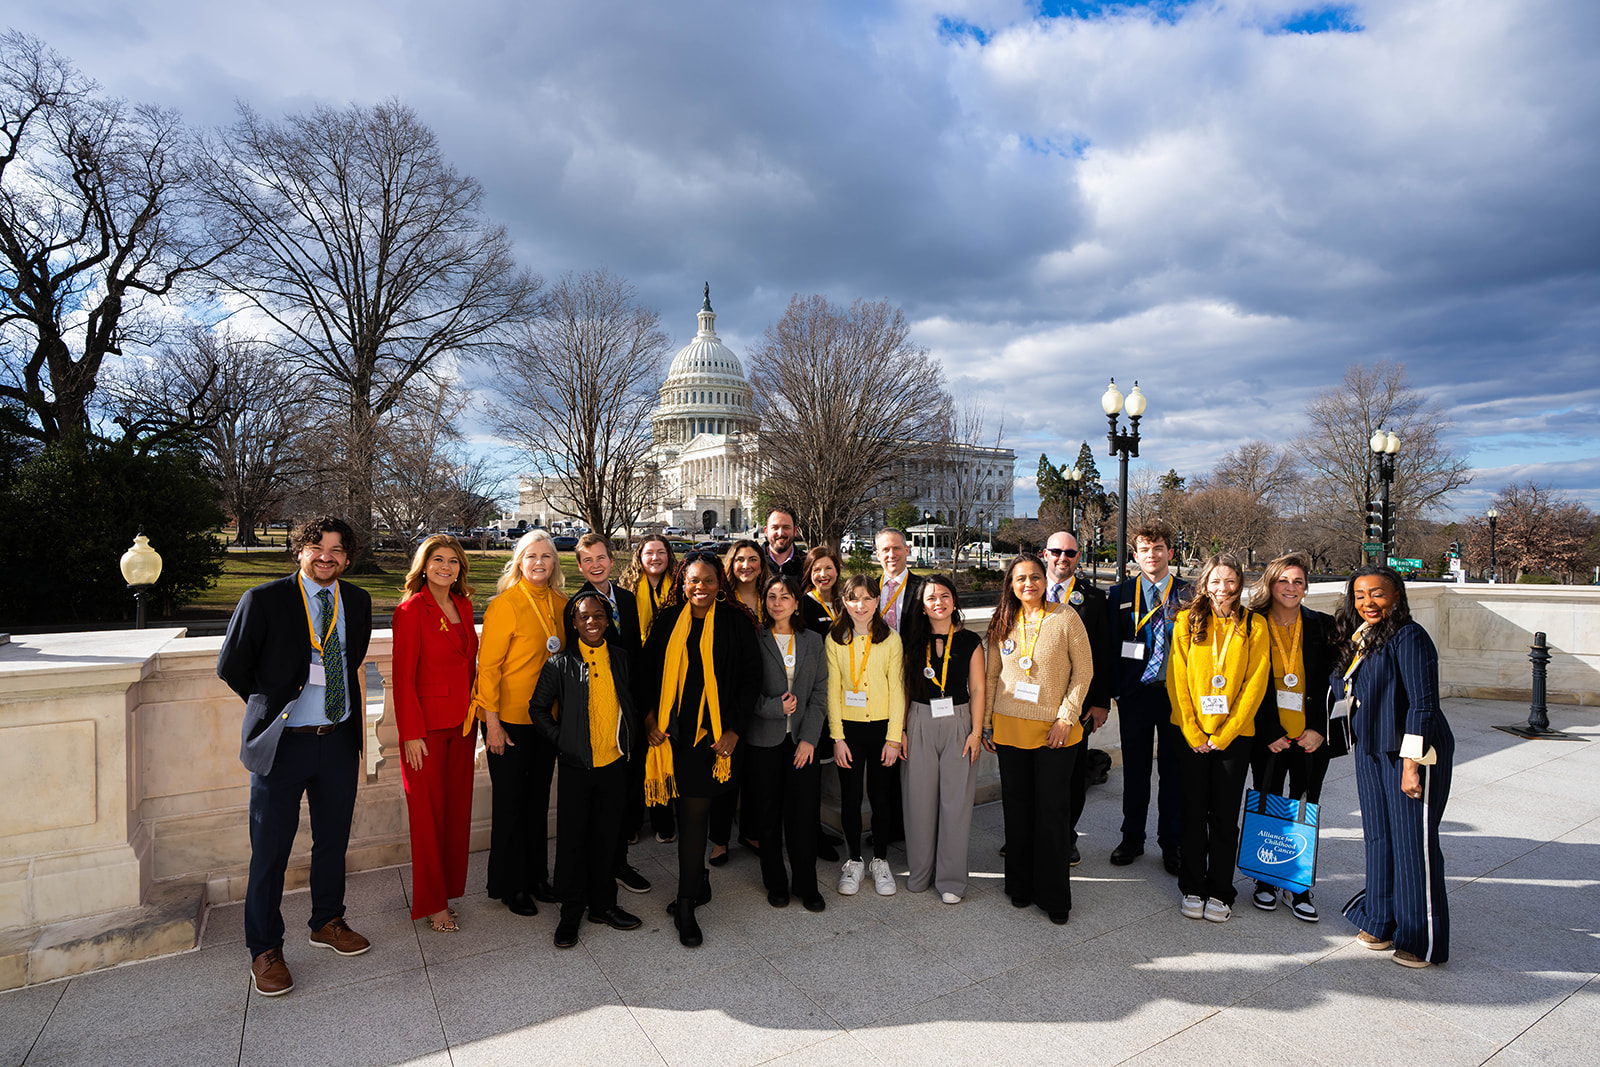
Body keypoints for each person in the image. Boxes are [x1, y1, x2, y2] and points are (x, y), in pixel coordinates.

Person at [218, 516, 373, 997]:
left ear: (348, 557)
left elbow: (352, 660)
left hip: (337, 740)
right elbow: (232, 666)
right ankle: (264, 949)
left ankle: (327, 921)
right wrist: (276, 706)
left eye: (337, 549)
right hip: (283, 745)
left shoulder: (359, 600)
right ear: (299, 551)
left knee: (332, 842)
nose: (327, 556)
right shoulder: (263, 600)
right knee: (270, 852)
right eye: (317, 547)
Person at [639, 551, 760, 947]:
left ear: (720, 583)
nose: (701, 587)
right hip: (670, 736)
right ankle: (700, 880)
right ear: (682, 582)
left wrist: (734, 732)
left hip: (712, 739)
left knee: (693, 817)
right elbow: (647, 674)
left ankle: (686, 901)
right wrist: (649, 719)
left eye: (709, 580)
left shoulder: (735, 623)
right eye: (693, 580)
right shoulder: (669, 620)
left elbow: (749, 682)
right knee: (686, 813)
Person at [1335, 566, 1453, 967]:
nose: (1368, 602)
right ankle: (1381, 919)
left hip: (1409, 753)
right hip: (1370, 749)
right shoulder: (1360, 639)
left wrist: (1411, 765)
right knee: (1379, 838)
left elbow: (1423, 705)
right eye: (1361, 594)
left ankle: (1419, 938)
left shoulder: (1410, 637)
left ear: (1397, 596)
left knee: (1411, 845)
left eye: (1378, 594)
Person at [982, 553, 1093, 925]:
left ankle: (1053, 894)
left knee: (1052, 813)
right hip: (1010, 728)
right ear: (1010, 586)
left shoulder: (1065, 617)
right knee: (1017, 810)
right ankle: (1020, 886)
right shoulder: (1003, 622)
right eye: (1020, 579)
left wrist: (1066, 717)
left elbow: (1084, 671)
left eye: (1034, 577)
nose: (1028, 584)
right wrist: (986, 724)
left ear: (1045, 580)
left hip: (1055, 733)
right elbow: (992, 675)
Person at [529, 592, 644, 948]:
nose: (592, 622)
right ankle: (571, 910)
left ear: (608, 621)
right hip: (578, 765)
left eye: (598, 616)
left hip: (614, 763)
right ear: (574, 623)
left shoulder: (621, 659)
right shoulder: (559, 664)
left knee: (607, 837)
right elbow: (537, 708)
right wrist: (562, 739)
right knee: (573, 839)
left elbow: (634, 702)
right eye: (584, 617)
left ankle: (604, 905)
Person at [1167, 553, 1270, 924]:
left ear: (1240, 584)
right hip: (1191, 735)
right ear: (1204, 584)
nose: (1222, 589)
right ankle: (1192, 886)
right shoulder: (1186, 621)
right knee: (1193, 813)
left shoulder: (1254, 625)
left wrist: (1225, 734)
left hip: (1235, 737)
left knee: (1225, 818)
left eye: (1230, 582)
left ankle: (1221, 890)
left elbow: (1255, 683)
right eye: (1215, 581)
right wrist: (1194, 730)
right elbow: (1177, 681)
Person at [472, 529, 567, 917]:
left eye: (546, 557)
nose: (539, 563)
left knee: (538, 801)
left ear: (554, 563)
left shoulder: (562, 603)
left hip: (547, 721)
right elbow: (488, 669)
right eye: (531, 557)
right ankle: (511, 886)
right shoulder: (505, 605)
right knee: (511, 804)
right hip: (508, 720)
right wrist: (492, 723)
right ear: (519, 562)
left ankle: (537, 877)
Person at [391, 534, 478, 934]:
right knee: (427, 821)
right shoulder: (411, 610)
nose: (446, 567)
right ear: (423, 566)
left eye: (453, 561)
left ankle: (448, 891)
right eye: (437, 560)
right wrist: (410, 733)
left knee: (455, 816)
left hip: (461, 725)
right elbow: (402, 677)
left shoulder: (462, 603)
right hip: (424, 731)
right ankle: (433, 905)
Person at [1245, 552, 1338, 921]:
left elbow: (1336, 684)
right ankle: (1265, 879)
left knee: (1304, 804)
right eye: (1284, 581)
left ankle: (1298, 885)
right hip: (1270, 736)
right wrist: (1269, 731)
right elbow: (1245, 681)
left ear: (1306, 588)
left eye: (1298, 582)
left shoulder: (1323, 625)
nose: (1291, 588)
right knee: (1268, 801)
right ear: (1270, 583)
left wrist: (1319, 729)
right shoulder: (1253, 624)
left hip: (1310, 736)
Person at [567, 533, 651, 896]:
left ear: (611, 561)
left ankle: (620, 862)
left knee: (627, 791)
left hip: (630, 709)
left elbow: (636, 652)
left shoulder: (628, 599)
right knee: (600, 800)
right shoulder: (578, 605)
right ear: (580, 566)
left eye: (601, 558)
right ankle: (597, 867)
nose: (596, 565)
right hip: (599, 712)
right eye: (588, 560)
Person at [1108, 523, 1191, 873]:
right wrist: (1114, 691)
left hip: (1176, 696)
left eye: (1158, 548)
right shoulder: (1120, 593)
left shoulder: (1190, 593)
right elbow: (1111, 646)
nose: (1151, 555)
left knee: (1174, 773)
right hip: (1136, 694)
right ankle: (1132, 837)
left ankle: (1170, 843)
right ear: (1135, 554)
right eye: (1144, 549)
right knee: (1136, 771)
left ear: (1169, 553)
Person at [900, 574, 985, 903]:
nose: (939, 602)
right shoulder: (911, 641)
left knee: (955, 805)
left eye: (945, 596)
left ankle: (951, 880)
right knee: (917, 802)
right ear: (922, 606)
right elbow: (905, 688)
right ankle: (920, 873)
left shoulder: (970, 641)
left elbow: (978, 689)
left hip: (959, 723)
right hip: (919, 720)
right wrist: (902, 732)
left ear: (954, 600)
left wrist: (976, 733)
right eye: (931, 598)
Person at [749, 574, 830, 912]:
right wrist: (772, 708)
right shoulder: (755, 638)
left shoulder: (812, 640)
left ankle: (806, 884)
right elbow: (742, 692)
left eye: (785, 596)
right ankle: (775, 882)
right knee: (767, 816)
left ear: (798, 602)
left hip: (802, 742)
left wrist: (810, 739)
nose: (778, 602)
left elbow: (820, 693)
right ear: (764, 601)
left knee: (803, 815)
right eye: (771, 596)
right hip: (764, 741)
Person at [826, 574, 905, 897]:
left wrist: (894, 738)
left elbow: (898, 690)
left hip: (883, 729)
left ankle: (881, 860)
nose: (861, 605)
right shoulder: (834, 638)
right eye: (854, 598)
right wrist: (838, 737)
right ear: (844, 602)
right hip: (849, 730)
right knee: (850, 798)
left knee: (882, 797)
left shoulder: (891, 639)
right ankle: (855, 859)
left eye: (868, 598)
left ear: (878, 601)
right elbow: (832, 690)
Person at [1043, 530, 1114, 866]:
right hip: (1030, 703)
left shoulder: (1095, 600)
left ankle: (1066, 837)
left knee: (1072, 777)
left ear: (1078, 557)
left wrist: (1101, 702)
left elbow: (1103, 653)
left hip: (1077, 706)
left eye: (1070, 553)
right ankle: (1028, 834)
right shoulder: (1025, 589)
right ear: (1045, 553)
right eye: (1057, 551)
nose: (1063, 558)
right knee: (1033, 775)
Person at [711, 537, 769, 863]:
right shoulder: (722, 600)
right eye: (739, 560)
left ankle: (750, 830)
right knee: (727, 769)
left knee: (757, 774)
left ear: (762, 564)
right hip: (731, 696)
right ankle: (719, 839)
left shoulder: (771, 596)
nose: (746, 566)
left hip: (768, 695)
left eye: (753, 559)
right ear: (730, 564)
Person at [620, 535, 678, 844]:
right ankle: (631, 821)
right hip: (635, 677)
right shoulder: (626, 593)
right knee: (635, 752)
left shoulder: (680, 589)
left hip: (672, 676)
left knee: (664, 743)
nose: (655, 557)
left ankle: (663, 818)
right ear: (639, 557)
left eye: (660, 552)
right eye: (648, 552)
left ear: (669, 555)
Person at [799, 544, 845, 636]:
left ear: (837, 571)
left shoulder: (844, 604)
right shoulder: (802, 606)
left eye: (828, 568)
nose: (823, 574)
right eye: (817, 570)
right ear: (809, 574)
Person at [763, 506, 805, 578]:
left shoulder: (807, 565)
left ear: (795, 531)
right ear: (766, 531)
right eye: (775, 527)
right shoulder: (755, 564)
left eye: (786, 527)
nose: (780, 533)